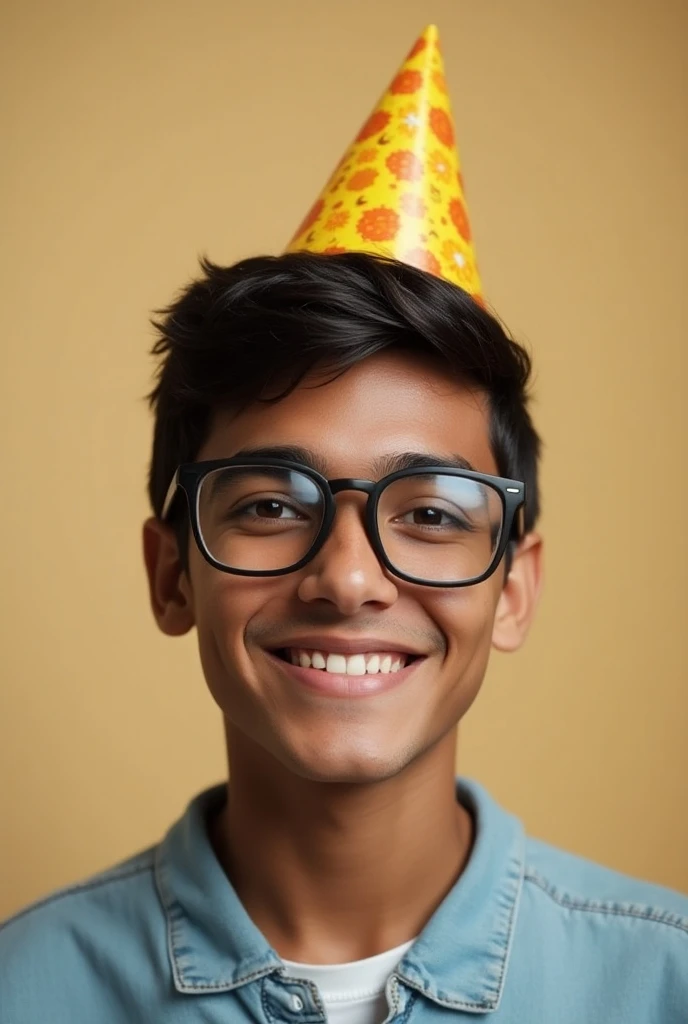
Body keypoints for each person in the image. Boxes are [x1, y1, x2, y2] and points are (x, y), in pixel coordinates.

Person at [1, 26, 686, 1024]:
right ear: (170, 575)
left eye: (432, 513)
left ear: (515, 585)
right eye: (272, 505)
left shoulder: (661, 985)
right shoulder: (25, 991)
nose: (349, 579)